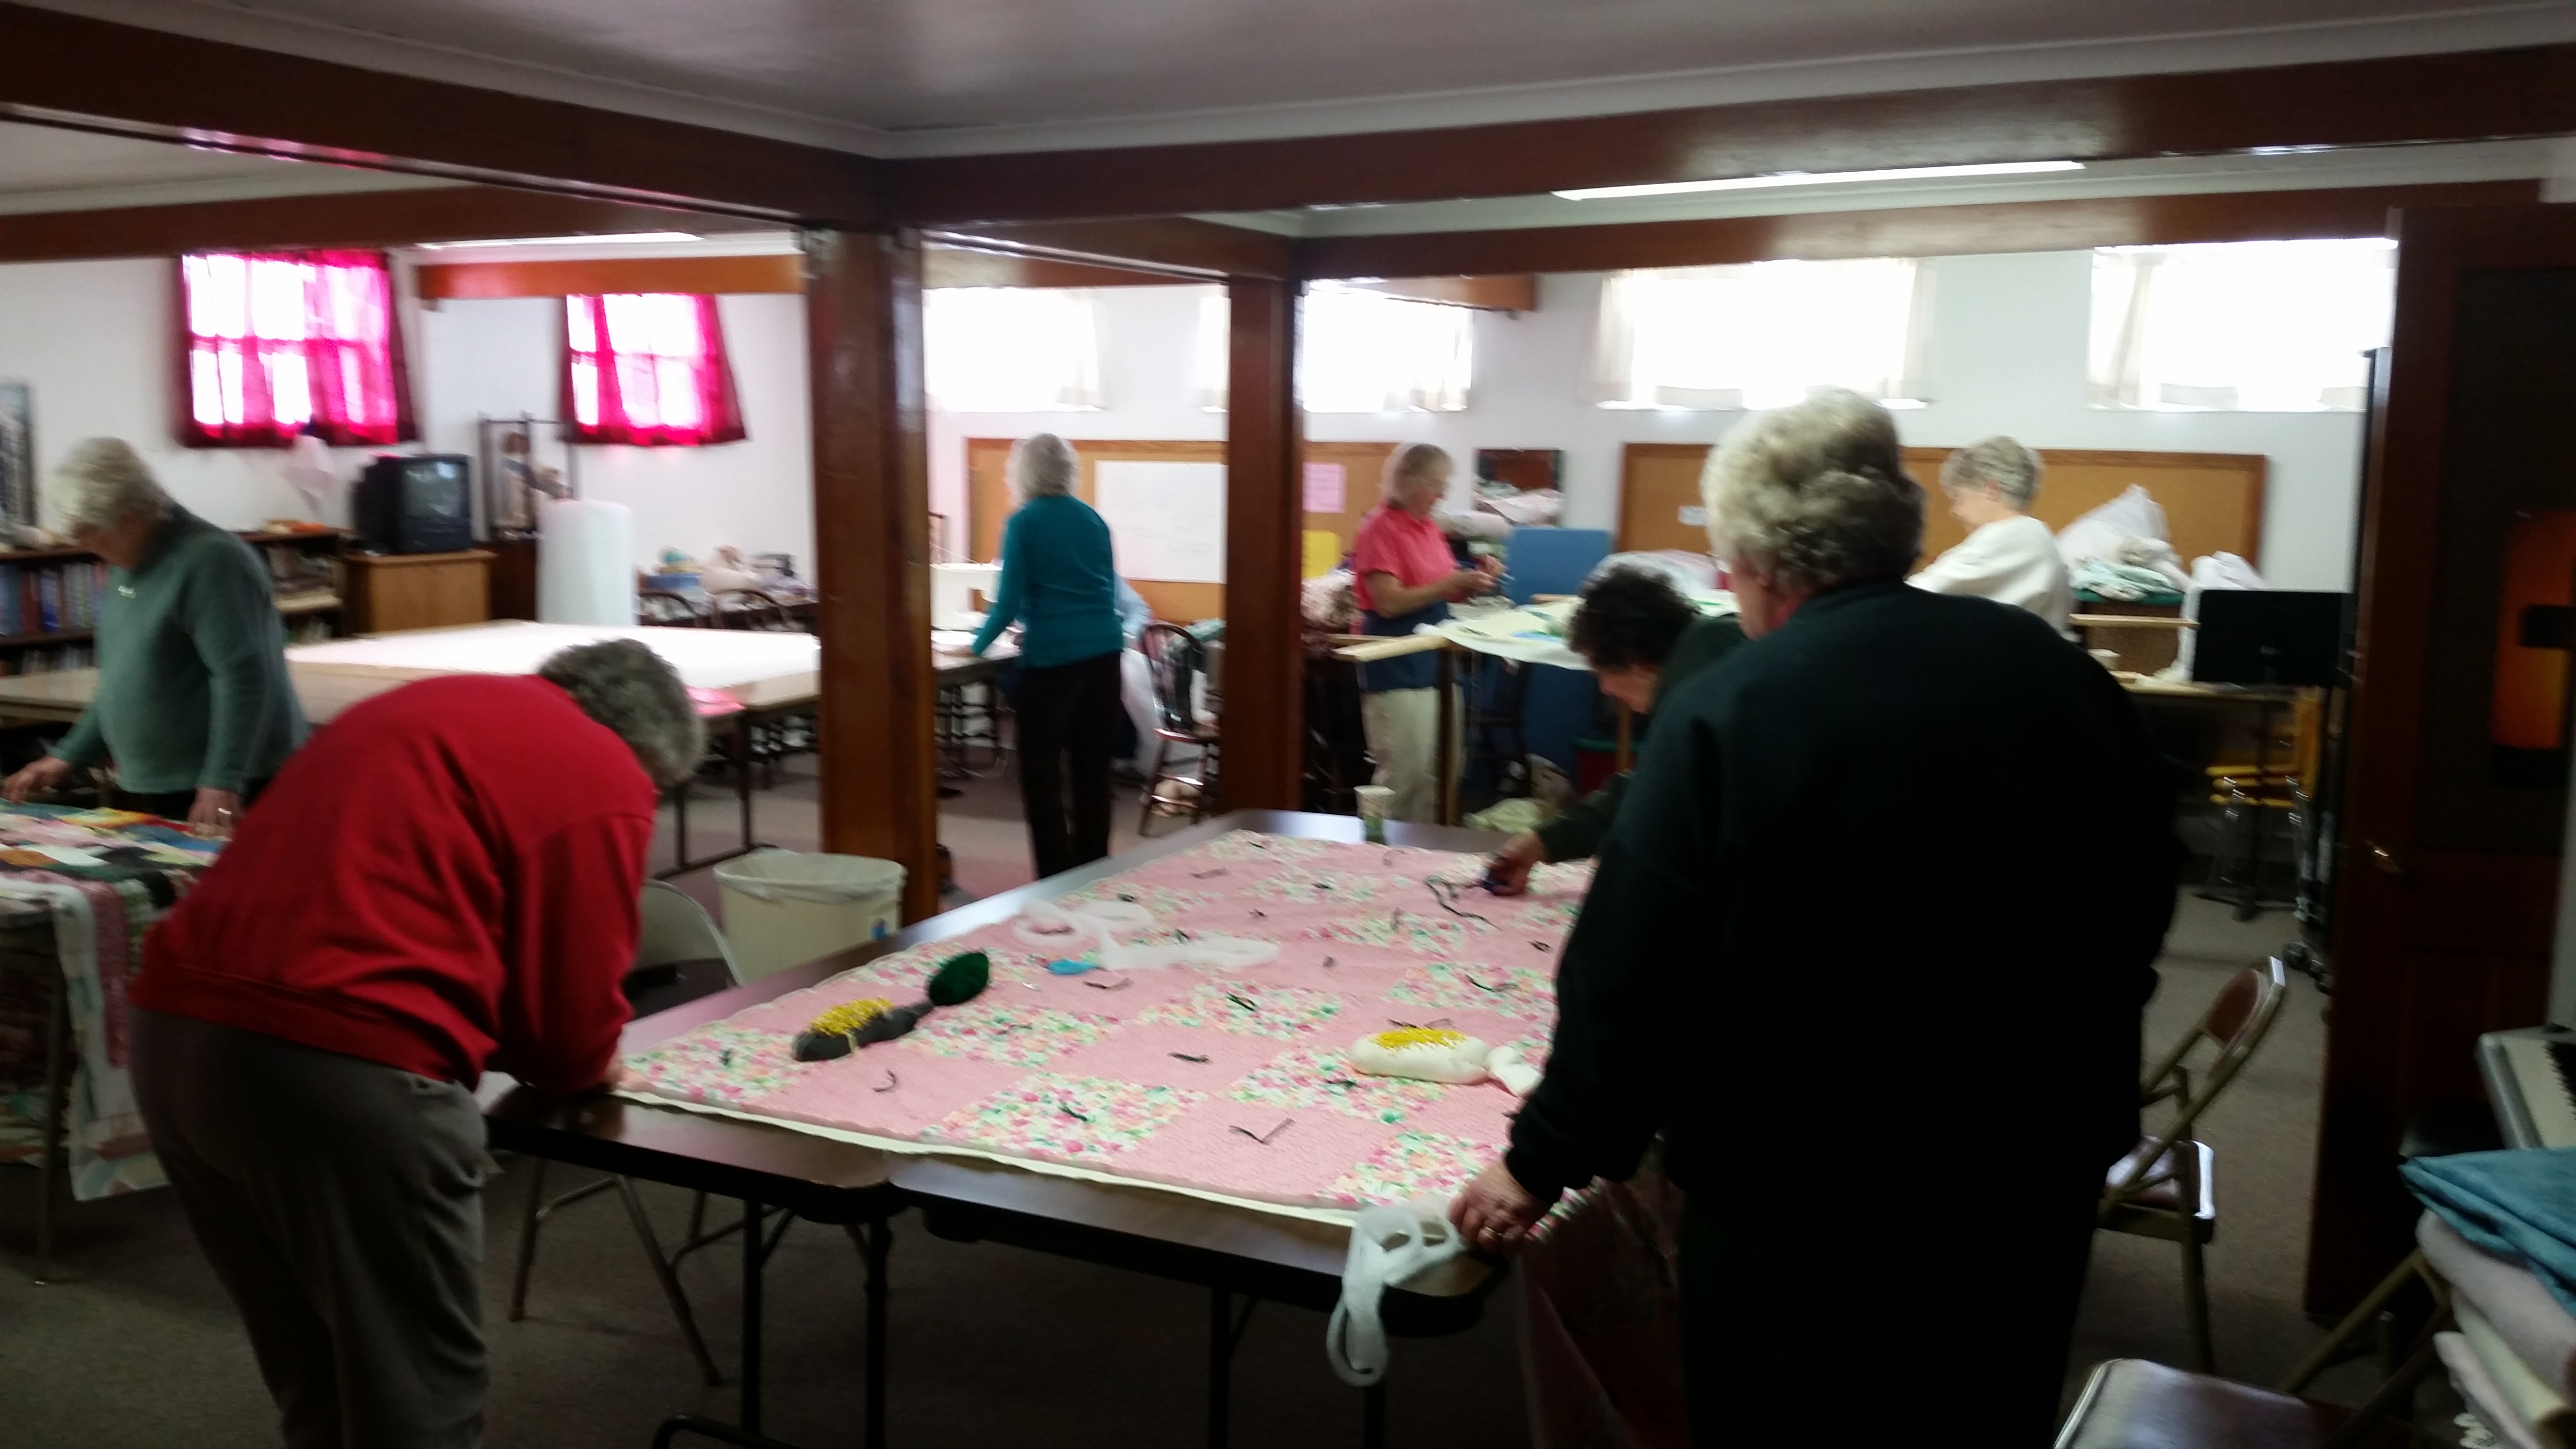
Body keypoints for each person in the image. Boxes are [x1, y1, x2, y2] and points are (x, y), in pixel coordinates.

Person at [1449, 390, 2178, 1447]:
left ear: (1757, 562)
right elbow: (2147, 882)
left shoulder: (1734, 704)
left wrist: (1538, 1160)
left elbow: (1633, 969)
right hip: (2032, 1164)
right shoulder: (2056, 672)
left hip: (1803, 1188)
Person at [127, 639, 702, 1449]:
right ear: (649, 753)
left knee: (315, 1369)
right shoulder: (602, 769)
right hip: (344, 1066)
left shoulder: (427, 708)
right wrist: (594, 1055)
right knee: (416, 1393)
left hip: (175, 1035)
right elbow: (564, 1036)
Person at [2, 438, 304, 832]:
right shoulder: (126, 561)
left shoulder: (212, 560)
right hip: (161, 783)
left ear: (129, 519)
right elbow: (122, 681)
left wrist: (222, 781)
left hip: (221, 788)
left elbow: (244, 676)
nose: (82, 544)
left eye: (87, 532)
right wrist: (68, 756)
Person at [1485, 566, 1745, 893]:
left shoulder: (1696, 690)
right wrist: (1544, 842)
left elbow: (1652, 792)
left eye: (1600, 673)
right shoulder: (1713, 644)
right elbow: (1652, 782)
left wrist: (1546, 843)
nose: (1605, 689)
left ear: (1634, 660)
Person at [972, 433, 1126, 878]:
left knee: (1042, 774)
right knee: (1092, 771)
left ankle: (1055, 877)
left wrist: (975, 646)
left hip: (1055, 662)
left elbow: (1007, 603)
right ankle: (1093, 870)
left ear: (1022, 472)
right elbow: (1100, 590)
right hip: (1105, 654)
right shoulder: (1094, 520)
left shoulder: (1024, 522)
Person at [1351, 444, 1498, 822]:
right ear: (1408, 481)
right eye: (1436, 485)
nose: (1442, 495)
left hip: (1437, 663)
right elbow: (1388, 603)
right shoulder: (1379, 529)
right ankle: (1378, 849)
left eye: (1445, 486)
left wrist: (1474, 581)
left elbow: (1444, 589)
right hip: (1396, 663)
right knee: (1405, 776)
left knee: (1444, 773)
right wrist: (1449, 583)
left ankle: (1425, 850)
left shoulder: (1429, 528)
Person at [1908, 434, 2074, 633]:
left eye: (1958, 498)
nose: (1954, 511)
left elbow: (1914, 596)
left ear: (1991, 490)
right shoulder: (2038, 536)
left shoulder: (2008, 538)